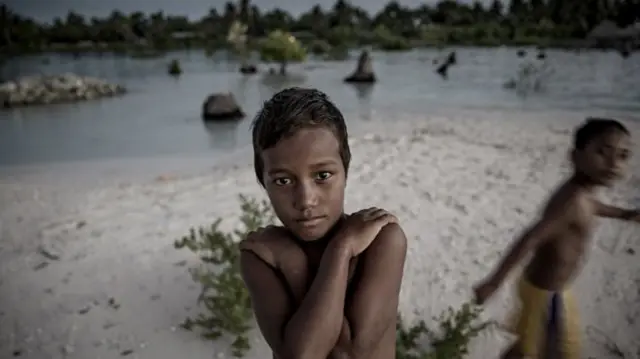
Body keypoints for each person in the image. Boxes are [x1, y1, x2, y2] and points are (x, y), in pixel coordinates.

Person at [239, 87, 408, 359]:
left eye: (323, 175)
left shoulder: (382, 240)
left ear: (346, 171)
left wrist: (333, 252)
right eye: (283, 181)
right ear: (263, 183)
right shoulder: (260, 256)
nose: (306, 200)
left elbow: (347, 352)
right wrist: (309, 258)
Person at [473, 118, 638, 359]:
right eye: (603, 152)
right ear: (575, 156)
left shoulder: (579, 192)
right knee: (561, 351)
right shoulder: (571, 202)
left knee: (529, 342)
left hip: (540, 286)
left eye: (623, 156)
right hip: (548, 294)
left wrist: (625, 214)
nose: (613, 163)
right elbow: (530, 238)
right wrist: (494, 282)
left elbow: (592, 206)